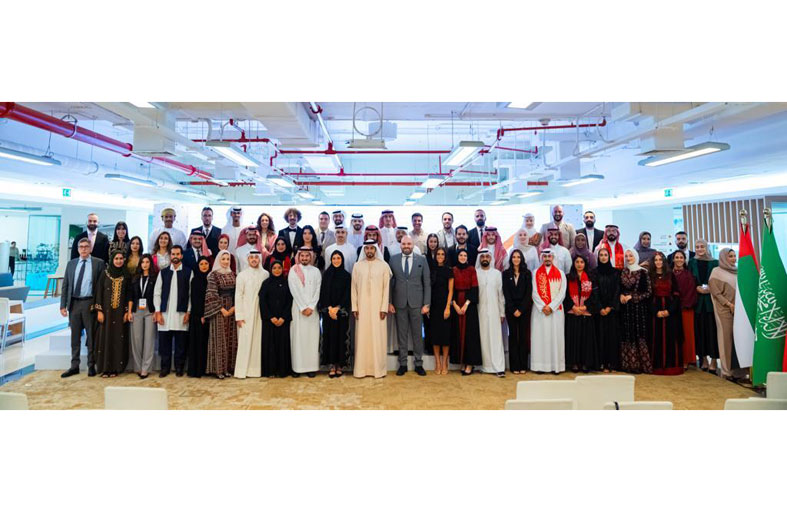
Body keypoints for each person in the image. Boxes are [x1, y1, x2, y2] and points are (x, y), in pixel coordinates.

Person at [60, 238, 105, 378]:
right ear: (78, 249)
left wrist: (99, 306)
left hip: (89, 303)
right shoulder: (71, 264)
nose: (84, 249)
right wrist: (63, 305)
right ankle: (74, 366)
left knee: (91, 337)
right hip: (74, 304)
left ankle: (91, 365)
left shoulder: (98, 263)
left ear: (90, 248)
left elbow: (101, 286)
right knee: (75, 337)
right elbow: (65, 285)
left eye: (86, 246)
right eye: (81, 247)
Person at [389, 236, 431, 376]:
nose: (406, 246)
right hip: (399, 303)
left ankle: (419, 364)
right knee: (402, 335)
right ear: (400, 245)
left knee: (417, 335)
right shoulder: (393, 260)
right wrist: (389, 302)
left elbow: (427, 283)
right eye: (404, 244)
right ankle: (403, 364)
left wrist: (426, 303)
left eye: (409, 243)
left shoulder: (422, 260)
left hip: (417, 304)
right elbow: (390, 283)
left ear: (413, 245)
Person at [352, 240, 391, 378]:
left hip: (378, 309)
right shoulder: (357, 266)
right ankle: (361, 370)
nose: (369, 251)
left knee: (377, 337)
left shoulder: (384, 266)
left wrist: (384, 308)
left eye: (372, 248)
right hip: (362, 308)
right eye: (367, 248)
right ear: (364, 250)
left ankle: (378, 370)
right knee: (362, 338)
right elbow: (354, 288)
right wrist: (355, 307)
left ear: (375, 250)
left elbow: (386, 288)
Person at [709, 248, 748, 381]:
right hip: (724, 311)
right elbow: (716, 292)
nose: (733, 258)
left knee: (739, 340)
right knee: (726, 340)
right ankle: (726, 370)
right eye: (730, 256)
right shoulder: (716, 272)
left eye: (734, 256)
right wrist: (729, 304)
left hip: (739, 311)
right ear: (723, 258)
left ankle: (739, 371)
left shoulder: (738, 271)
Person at [153, 245, 192, 377]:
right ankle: (165, 368)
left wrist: (188, 312)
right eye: (173, 254)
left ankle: (179, 368)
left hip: (181, 314)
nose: (175, 256)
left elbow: (191, 294)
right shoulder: (163, 272)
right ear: (170, 256)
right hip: (164, 313)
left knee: (181, 344)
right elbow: (157, 293)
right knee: (164, 344)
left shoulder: (188, 272)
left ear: (181, 256)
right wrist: (158, 311)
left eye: (177, 254)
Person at [93, 250, 130, 377]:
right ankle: (105, 368)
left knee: (118, 339)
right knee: (105, 338)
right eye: (116, 259)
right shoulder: (105, 274)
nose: (119, 261)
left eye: (121, 258)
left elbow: (128, 295)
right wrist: (99, 311)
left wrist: (126, 312)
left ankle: (115, 368)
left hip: (120, 314)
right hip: (106, 313)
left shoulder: (126, 275)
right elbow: (99, 292)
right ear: (112, 260)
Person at [530, 249, 568, 374]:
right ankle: (539, 366)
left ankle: (555, 366)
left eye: (549, 256)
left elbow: (562, 292)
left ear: (553, 258)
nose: (547, 258)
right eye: (545, 256)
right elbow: (534, 291)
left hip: (555, 311)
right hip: (539, 311)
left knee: (555, 338)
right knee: (540, 339)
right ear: (542, 258)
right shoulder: (535, 273)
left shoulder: (561, 274)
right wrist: (543, 306)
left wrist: (551, 306)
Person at [234, 250, 269, 379]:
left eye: (256, 257)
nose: (254, 260)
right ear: (248, 259)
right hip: (246, 313)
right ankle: (242, 371)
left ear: (260, 259)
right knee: (245, 340)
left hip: (261, 313)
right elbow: (238, 295)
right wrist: (239, 316)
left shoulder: (265, 274)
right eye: (251, 257)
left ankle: (256, 371)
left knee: (258, 341)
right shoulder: (242, 275)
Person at [288, 247, 322, 377]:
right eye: (302, 256)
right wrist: (303, 307)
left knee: (311, 339)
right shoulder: (293, 270)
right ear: (298, 256)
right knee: (297, 338)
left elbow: (318, 290)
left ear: (311, 257)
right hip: (298, 309)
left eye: (307, 256)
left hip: (312, 311)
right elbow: (294, 290)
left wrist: (311, 306)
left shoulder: (316, 271)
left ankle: (311, 368)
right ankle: (297, 368)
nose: (304, 258)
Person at [204, 249, 237, 379]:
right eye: (223, 259)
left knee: (230, 338)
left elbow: (237, 292)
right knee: (219, 338)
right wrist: (221, 309)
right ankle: (218, 369)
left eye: (228, 259)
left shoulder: (234, 274)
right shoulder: (213, 275)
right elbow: (211, 293)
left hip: (232, 309)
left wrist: (234, 307)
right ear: (218, 260)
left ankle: (228, 368)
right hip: (218, 309)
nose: (226, 261)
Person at [649, 251, 683, 375]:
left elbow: (676, 293)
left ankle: (671, 366)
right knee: (656, 338)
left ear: (664, 261)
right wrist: (656, 312)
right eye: (656, 260)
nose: (658, 262)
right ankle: (657, 366)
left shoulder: (670, 275)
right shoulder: (649, 276)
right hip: (655, 310)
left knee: (671, 338)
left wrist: (669, 310)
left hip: (670, 310)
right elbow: (648, 295)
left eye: (660, 260)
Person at [688, 238, 719, 373]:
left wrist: (711, 289)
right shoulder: (692, 262)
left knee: (713, 332)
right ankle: (704, 359)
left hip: (712, 302)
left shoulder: (715, 262)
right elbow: (689, 280)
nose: (700, 249)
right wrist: (696, 288)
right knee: (700, 332)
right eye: (697, 247)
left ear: (707, 248)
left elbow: (718, 280)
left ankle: (714, 360)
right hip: (698, 303)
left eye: (702, 246)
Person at [619, 249, 653, 374]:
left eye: (631, 256)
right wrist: (621, 295)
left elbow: (648, 292)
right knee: (627, 334)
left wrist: (632, 297)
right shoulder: (623, 271)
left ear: (636, 256)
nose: (628, 258)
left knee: (638, 335)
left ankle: (640, 365)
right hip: (625, 310)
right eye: (626, 256)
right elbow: (620, 288)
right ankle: (628, 365)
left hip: (639, 310)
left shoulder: (643, 272)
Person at [564, 254, 599, 372]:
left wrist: (585, 306)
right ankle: (574, 363)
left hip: (586, 312)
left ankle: (585, 363)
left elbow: (594, 295)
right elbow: (565, 295)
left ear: (585, 264)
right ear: (573, 264)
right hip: (572, 312)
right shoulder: (568, 277)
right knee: (573, 339)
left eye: (582, 262)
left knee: (586, 340)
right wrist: (573, 306)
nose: (579, 264)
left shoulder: (591, 277)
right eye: (577, 262)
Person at [319, 250, 352, 378]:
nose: (336, 260)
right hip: (328, 313)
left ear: (342, 260)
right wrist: (330, 309)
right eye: (334, 258)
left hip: (341, 313)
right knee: (330, 338)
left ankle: (340, 365)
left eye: (338, 258)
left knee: (341, 338)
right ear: (331, 260)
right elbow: (323, 293)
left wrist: (337, 308)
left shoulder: (346, 275)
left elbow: (347, 294)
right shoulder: (326, 275)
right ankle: (332, 365)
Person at [450, 249, 482, 375]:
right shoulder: (453, 270)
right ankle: (462, 362)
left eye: (465, 255)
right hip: (456, 303)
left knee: (470, 335)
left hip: (469, 306)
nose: (463, 257)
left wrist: (466, 305)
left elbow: (474, 288)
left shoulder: (471, 269)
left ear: (467, 257)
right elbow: (451, 289)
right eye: (461, 255)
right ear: (457, 256)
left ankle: (470, 364)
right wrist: (455, 305)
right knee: (458, 334)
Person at [259, 260, 294, 378]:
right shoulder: (266, 283)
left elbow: (290, 301)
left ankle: (282, 371)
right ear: (270, 269)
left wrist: (283, 317)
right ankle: (270, 371)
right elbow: (262, 302)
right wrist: (271, 317)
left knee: (282, 345)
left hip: (283, 321)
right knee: (270, 346)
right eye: (274, 268)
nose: (277, 270)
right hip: (270, 321)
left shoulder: (287, 283)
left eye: (279, 268)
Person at [476, 249, 506, 377]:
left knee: (496, 338)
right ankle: (485, 366)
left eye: (487, 256)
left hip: (495, 311)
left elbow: (501, 295)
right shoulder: (475, 273)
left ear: (490, 258)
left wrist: (502, 313)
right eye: (482, 256)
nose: (485, 258)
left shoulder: (497, 274)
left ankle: (499, 367)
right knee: (483, 338)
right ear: (479, 259)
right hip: (480, 311)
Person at [503, 249, 532, 374]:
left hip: (524, 310)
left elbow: (528, 293)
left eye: (518, 257)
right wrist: (513, 309)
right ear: (511, 259)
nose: (516, 259)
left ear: (522, 259)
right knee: (513, 336)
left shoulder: (527, 273)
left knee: (523, 336)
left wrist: (521, 309)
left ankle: (523, 365)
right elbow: (506, 293)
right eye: (514, 257)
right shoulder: (505, 274)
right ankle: (514, 366)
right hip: (511, 310)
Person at [591, 247, 621, 372]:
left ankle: (612, 363)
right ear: (598, 257)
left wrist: (610, 307)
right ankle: (601, 363)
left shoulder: (615, 272)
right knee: (600, 336)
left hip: (612, 310)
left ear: (609, 257)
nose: (603, 257)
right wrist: (600, 308)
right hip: (599, 311)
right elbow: (594, 291)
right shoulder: (594, 272)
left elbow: (617, 290)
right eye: (601, 255)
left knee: (612, 337)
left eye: (605, 255)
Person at [129, 254, 157, 379]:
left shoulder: (155, 278)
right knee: (137, 339)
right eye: (143, 262)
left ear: (150, 264)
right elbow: (130, 296)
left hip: (150, 310)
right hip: (136, 310)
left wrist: (156, 311)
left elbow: (157, 295)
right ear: (140, 264)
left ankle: (146, 368)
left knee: (149, 340)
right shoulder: (135, 278)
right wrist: (129, 312)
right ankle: (138, 367)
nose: (145, 264)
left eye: (147, 262)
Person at [671, 250, 698, 369]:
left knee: (686, 335)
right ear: (673, 259)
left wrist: (681, 304)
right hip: (671, 309)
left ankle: (686, 360)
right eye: (676, 257)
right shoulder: (668, 274)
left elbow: (691, 292)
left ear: (684, 260)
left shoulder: (689, 275)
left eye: (681, 257)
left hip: (685, 309)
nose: (679, 259)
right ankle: (674, 359)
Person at [429, 247, 453, 375]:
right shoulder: (431, 270)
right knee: (435, 336)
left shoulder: (449, 271)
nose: (440, 256)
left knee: (445, 336)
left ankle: (445, 363)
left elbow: (451, 290)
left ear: (445, 256)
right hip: (433, 307)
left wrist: (448, 307)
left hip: (445, 307)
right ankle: (437, 362)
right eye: (438, 254)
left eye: (442, 254)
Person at [187, 256, 211, 378]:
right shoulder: (195, 280)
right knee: (197, 343)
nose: (204, 266)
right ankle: (196, 370)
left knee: (207, 343)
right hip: (198, 316)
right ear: (198, 266)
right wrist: (201, 315)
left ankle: (206, 369)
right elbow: (195, 299)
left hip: (210, 315)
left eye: (206, 264)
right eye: (201, 264)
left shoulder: (211, 279)